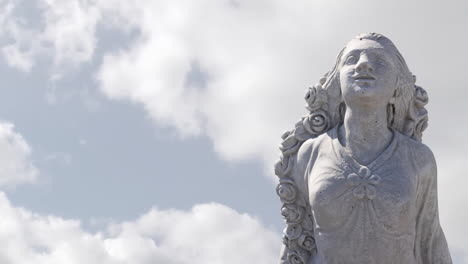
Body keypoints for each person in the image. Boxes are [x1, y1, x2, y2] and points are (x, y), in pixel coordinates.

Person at [275, 33, 452, 264]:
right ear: (338, 82)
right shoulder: (310, 154)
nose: (364, 64)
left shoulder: (418, 159)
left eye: (379, 61)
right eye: (352, 59)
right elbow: (296, 239)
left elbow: (431, 238)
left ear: (398, 87)